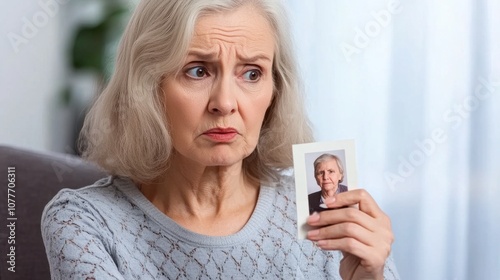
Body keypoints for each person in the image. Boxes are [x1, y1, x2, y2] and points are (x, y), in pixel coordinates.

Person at [41, 0, 399, 279]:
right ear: (147, 87)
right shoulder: (82, 222)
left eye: (252, 73)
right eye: (197, 71)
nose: (225, 103)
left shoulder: (330, 217)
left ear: (275, 90)